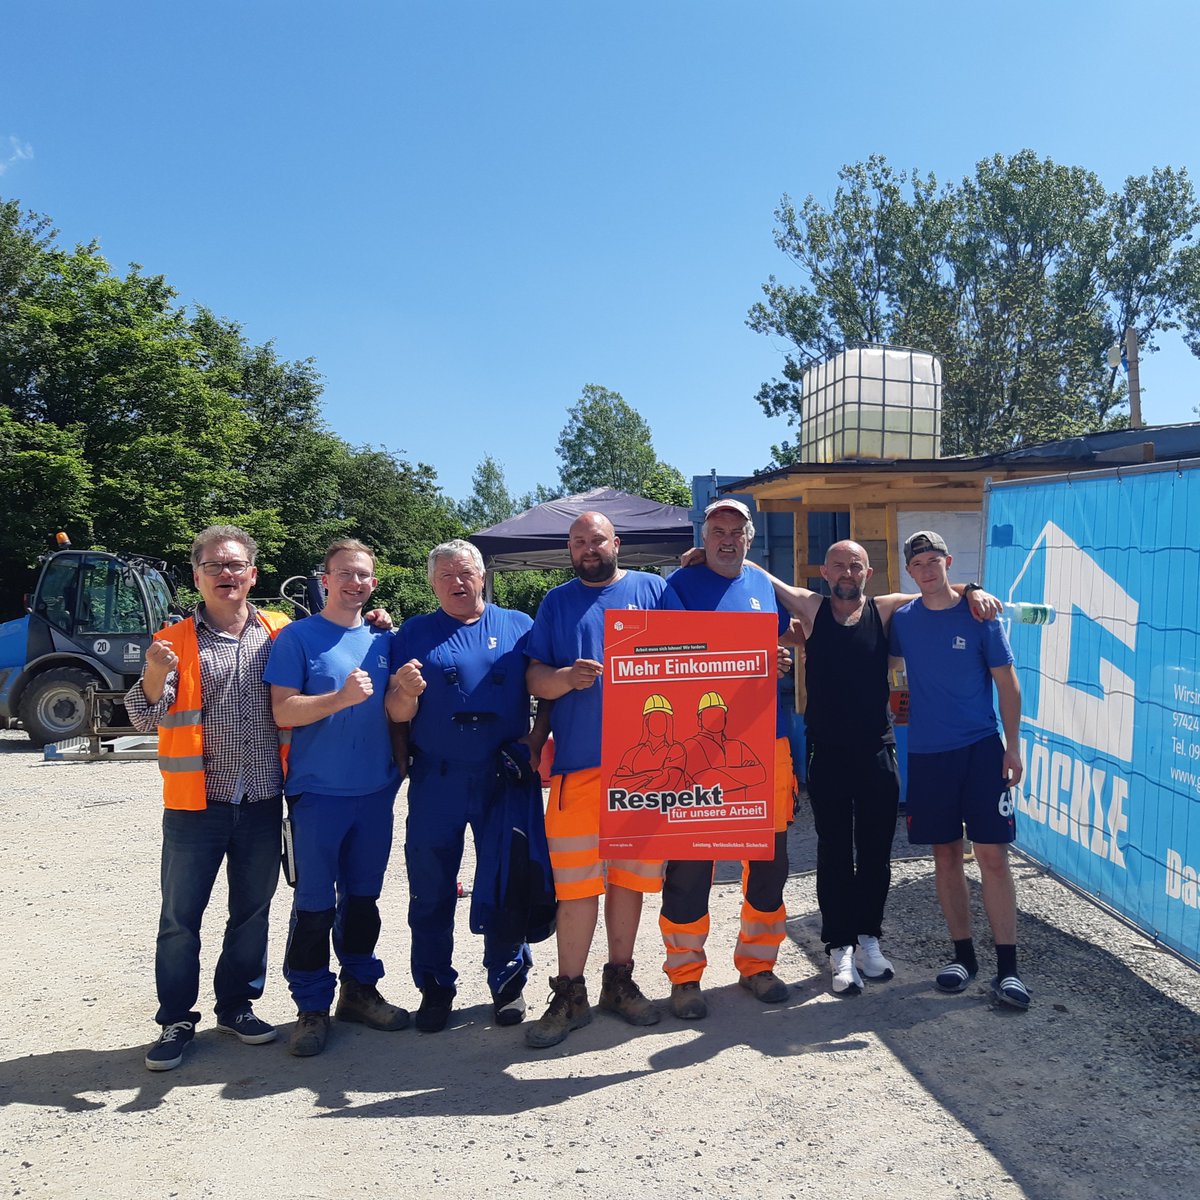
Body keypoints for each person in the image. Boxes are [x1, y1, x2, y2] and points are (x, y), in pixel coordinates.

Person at [749, 540, 998, 997]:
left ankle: (869, 940)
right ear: (825, 570)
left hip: (876, 750)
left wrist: (976, 589)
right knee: (835, 851)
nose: (847, 572)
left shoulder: (884, 610)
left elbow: (939, 588)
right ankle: (838, 947)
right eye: (839, 564)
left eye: (856, 566)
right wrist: (709, 555)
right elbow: (765, 578)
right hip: (827, 752)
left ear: (869, 572)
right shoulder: (812, 607)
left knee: (876, 852)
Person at [128, 525, 289, 1071]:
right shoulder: (171, 641)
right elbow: (144, 715)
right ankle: (176, 1018)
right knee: (180, 918)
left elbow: (330, 652)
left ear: (252, 574)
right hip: (197, 804)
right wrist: (153, 673)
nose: (226, 574)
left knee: (252, 912)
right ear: (196, 576)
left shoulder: (280, 631)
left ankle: (237, 1006)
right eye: (214, 566)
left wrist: (377, 622)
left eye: (235, 565)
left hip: (264, 797)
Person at [265, 538, 423, 1056]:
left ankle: (358, 990)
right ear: (325, 580)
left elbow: (398, 707)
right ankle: (310, 1006)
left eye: (364, 576)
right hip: (317, 794)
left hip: (374, 792)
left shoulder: (385, 640)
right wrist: (340, 698)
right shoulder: (297, 638)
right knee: (313, 904)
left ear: (374, 584)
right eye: (345, 574)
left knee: (363, 900)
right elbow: (283, 712)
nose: (355, 583)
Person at [386, 539, 549, 1033]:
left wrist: (536, 740)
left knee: (506, 882)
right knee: (431, 888)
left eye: (466, 574)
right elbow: (394, 713)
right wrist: (404, 693)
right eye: (447, 577)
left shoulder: (520, 626)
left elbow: (548, 687)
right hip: (438, 778)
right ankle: (435, 988)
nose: (458, 583)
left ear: (482, 577)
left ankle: (508, 984)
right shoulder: (413, 634)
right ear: (433, 583)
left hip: (504, 778)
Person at [522, 511, 667, 1048]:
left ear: (616, 543)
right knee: (577, 886)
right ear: (570, 548)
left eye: (597, 539)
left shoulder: (654, 589)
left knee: (628, 881)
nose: (588, 547)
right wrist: (561, 679)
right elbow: (534, 675)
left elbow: (696, 655)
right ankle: (569, 991)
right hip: (578, 768)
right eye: (578, 541)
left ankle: (620, 981)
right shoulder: (557, 602)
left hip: (643, 773)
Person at [657, 499, 797, 1019]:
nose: (726, 538)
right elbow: (665, 659)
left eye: (736, 531)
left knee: (769, 862)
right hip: (699, 746)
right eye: (717, 530)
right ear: (704, 534)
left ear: (749, 536)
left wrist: (781, 656)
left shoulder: (763, 587)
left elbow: (785, 640)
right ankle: (686, 975)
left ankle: (758, 965)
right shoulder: (679, 587)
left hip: (765, 742)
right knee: (692, 864)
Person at [888, 530, 1030, 1010]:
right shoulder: (903, 621)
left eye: (934, 561)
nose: (928, 570)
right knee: (945, 856)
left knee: (992, 857)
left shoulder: (980, 615)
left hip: (981, 751)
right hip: (928, 756)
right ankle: (963, 958)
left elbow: (1008, 687)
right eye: (918, 564)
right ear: (910, 572)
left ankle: (1008, 970)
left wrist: (1013, 748)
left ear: (949, 561)